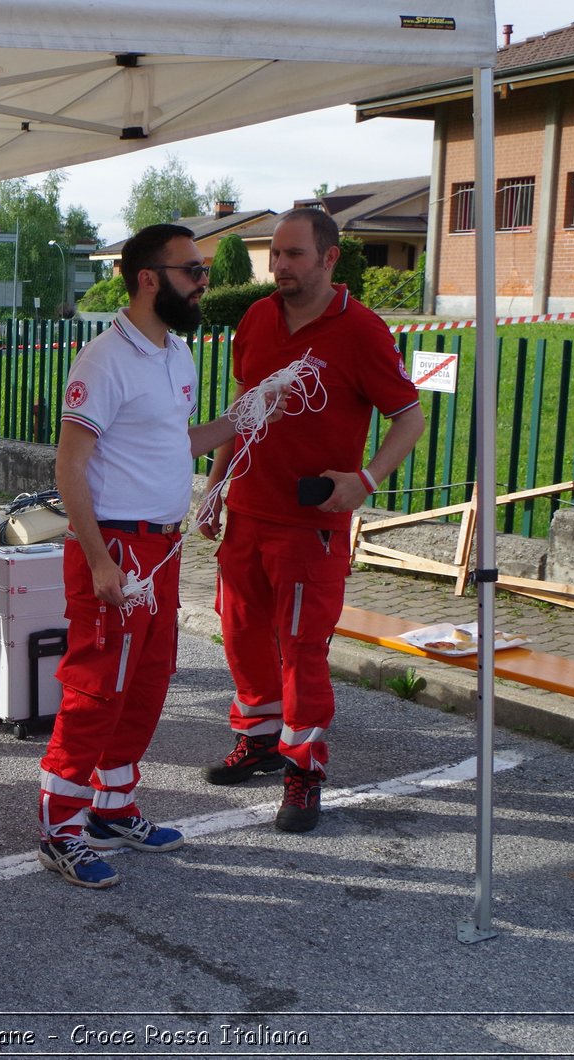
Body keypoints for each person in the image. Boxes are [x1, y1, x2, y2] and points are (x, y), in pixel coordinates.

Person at [36, 223, 250, 889]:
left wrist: (246, 417)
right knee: (97, 689)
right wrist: (100, 561)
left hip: (158, 547)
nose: (204, 282)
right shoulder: (104, 359)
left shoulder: (175, 353)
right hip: (117, 545)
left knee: (148, 683)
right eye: (193, 271)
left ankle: (112, 807)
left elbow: (173, 443)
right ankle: (60, 829)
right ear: (150, 278)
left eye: (204, 270)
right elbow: (70, 466)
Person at [198, 208, 424, 833]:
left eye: (293, 255)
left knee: (302, 651)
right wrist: (215, 488)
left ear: (329, 259)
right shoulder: (257, 318)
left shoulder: (361, 330)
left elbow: (409, 416)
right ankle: (260, 739)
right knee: (241, 634)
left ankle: (304, 770)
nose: (279, 267)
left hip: (310, 524)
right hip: (246, 510)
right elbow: (243, 411)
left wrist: (367, 480)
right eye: (274, 255)